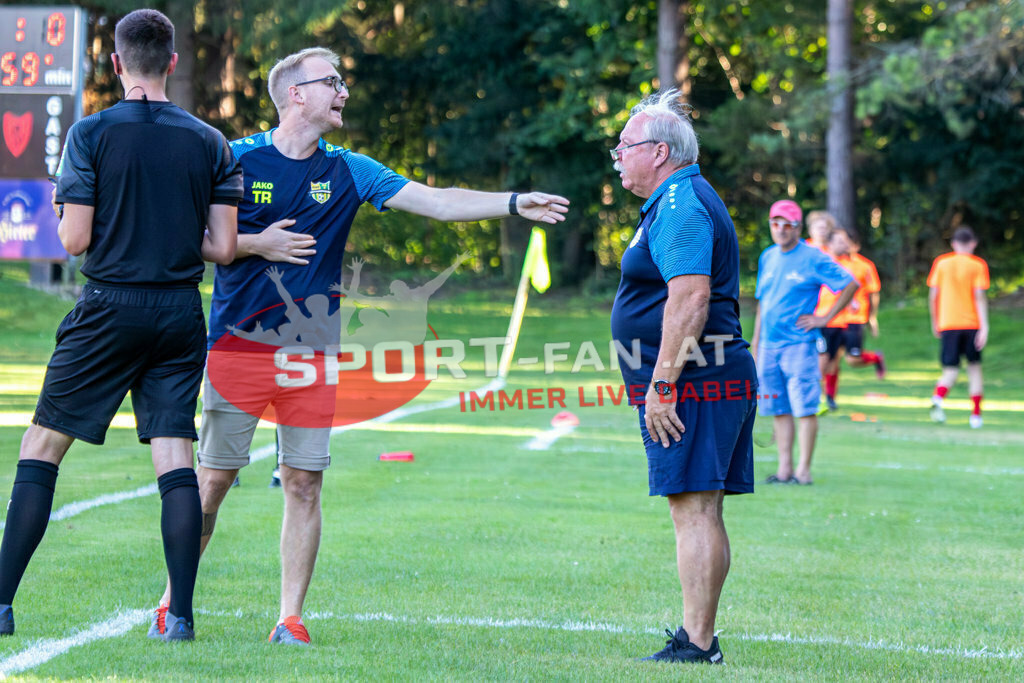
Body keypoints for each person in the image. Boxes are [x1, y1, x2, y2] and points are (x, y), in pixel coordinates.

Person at [150, 46, 569, 645]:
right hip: (238, 350)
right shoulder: (233, 158)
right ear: (296, 94)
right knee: (212, 481)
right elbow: (183, 236)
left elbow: (437, 199)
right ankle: (173, 602)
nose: (344, 91)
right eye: (332, 82)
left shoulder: (350, 169)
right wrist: (255, 243)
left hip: (312, 355)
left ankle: (290, 617)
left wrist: (512, 203)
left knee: (303, 481)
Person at [0, 9, 241, 642]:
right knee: (174, 458)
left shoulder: (90, 133)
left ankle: (0, 604)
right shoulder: (210, 141)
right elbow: (221, 247)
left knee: (43, 447)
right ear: (172, 60)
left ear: (115, 63)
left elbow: (75, 238)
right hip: (180, 313)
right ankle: (181, 615)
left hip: (109, 306)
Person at [609, 89, 756, 664]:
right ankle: (701, 638)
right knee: (700, 506)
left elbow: (690, 298)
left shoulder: (680, 203)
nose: (617, 155)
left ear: (660, 151)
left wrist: (663, 383)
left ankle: (698, 643)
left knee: (693, 508)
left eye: (625, 145)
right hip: (709, 373)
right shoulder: (676, 199)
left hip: (697, 377)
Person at [751, 200, 857, 485]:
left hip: (799, 344)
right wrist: (756, 343)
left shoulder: (813, 257)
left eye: (787, 225)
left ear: (798, 228)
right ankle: (784, 470)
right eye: (776, 224)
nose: (781, 230)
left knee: (804, 407)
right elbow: (763, 304)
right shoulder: (768, 256)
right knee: (778, 408)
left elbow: (849, 284)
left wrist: (825, 318)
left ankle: (803, 471)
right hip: (769, 346)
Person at [817, 227, 885, 412]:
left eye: (846, 241)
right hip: (829, 320)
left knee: (853, 359)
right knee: (829, 362)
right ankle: (829, 398)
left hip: (854, 319)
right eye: (839, 241)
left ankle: (876, 357)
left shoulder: (863, 265)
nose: (845, 245)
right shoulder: (824, 261)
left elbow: (872, 292)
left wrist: (872, 317)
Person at [927, 226, 989, 428]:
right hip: (971, 324)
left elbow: (933, 296)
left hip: (948, 323)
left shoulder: (941, 263)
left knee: (950, 369)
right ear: (973, 243)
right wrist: (984, 326)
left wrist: (935, 321)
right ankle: (976, 415)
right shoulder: (977, 265)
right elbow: (979, 297)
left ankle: (938, 397)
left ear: (953, 243)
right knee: (974, 369)